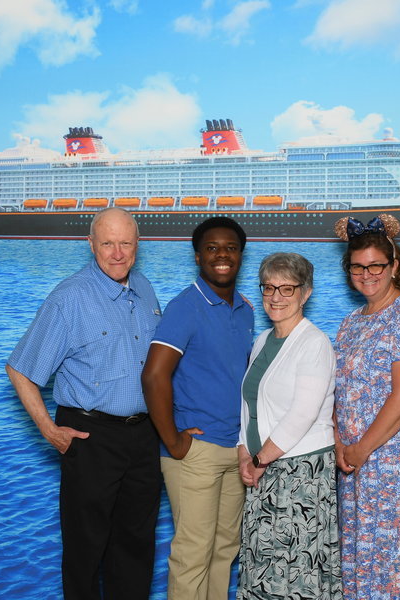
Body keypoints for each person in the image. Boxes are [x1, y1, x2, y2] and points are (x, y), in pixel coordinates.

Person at [5, 208, 162, 600]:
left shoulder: (144, 289)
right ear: (90, 244)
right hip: (91, 436)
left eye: (125, 243)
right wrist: (48, 430)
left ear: (137, 245)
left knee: (137, 547)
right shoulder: (69, 298)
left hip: (144, 437)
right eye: (107, 243)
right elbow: (21, 369)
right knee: (85, 549)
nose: (117, 253)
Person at [141, 217, 254, 600]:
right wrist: (173, 442)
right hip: (196, 453)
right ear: (197, 256)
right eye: (211, 248)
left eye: (230, 248)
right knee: (193, 553)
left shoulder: (246, 310)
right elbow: (154, 375)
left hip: (236, 450)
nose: (222, 255)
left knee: (225, 550)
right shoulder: (185, 307)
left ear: (240, 255)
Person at [333, 215, 400, 600]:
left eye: (376, 265)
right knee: (361, 557)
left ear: (394, 266)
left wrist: (360, 448)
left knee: (396, 561)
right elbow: (339, 390)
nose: (367, 274)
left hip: (394, 462)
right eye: (358, 267)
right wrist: (339, 442)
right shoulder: (351, 323)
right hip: (354, 462)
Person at [236, 253, 341, 599]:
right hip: (262, 469)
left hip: (300, 476)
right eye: (269, 287)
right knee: (263, 567)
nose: (276, 297)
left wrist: (260, 460)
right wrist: (243, 454)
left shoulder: (314, 343)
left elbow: (302, 414)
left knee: (295, 571)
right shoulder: (263, 340)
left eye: (287, 288)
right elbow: (249, 405)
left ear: (305, 293)